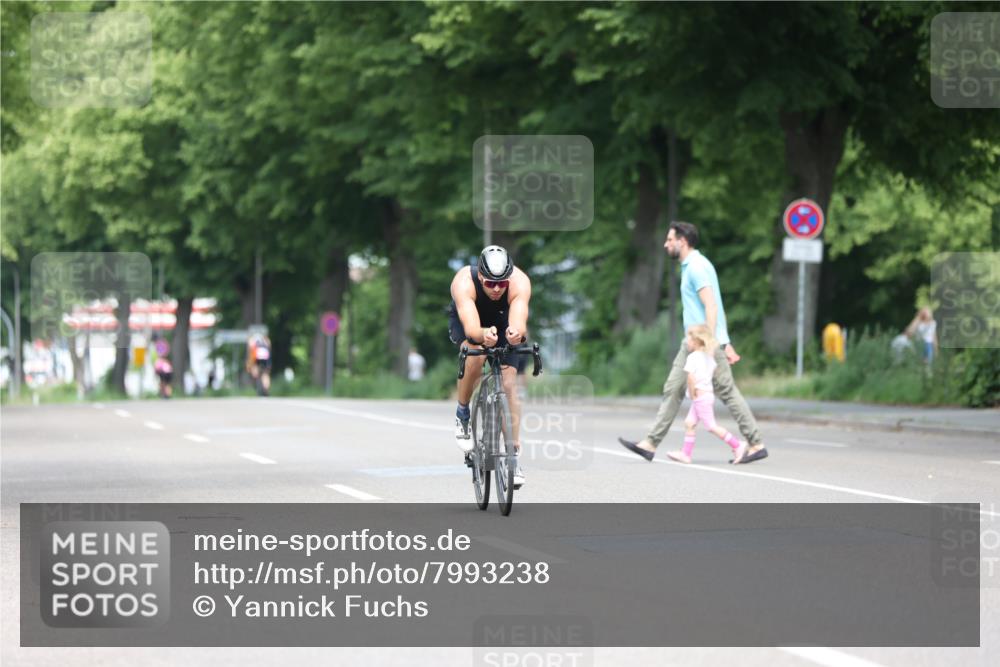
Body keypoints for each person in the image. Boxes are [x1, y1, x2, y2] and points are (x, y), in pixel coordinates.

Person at [618, 221, 768, 464]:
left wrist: (711, 343)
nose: (666, 244)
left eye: (670, 240)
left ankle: (756, 443)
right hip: (693, 342)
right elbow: (713, 304)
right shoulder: (691, 266)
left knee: (726, 391)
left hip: (703, 343)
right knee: (674, 388)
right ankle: (650, 443)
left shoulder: (697, 267)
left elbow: (711, 305)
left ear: (682, 241)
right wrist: (725, 341)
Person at [449, 245, 531, 487]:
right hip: (471, 321)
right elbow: (472, 329)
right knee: (475, 357)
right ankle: (463, 413)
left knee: (509, 385)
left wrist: (515, 335)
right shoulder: (464, 281)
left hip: (503, 321)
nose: (496, 289)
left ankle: (513, 457)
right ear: (481, 276)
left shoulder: (520, 282)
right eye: (490, 283)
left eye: (502, 283)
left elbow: (519, 322)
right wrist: (483, 335)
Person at [664, 325, 749, 465]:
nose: (687, 341)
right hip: (707, 395)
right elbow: (712, 372)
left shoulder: (692, 357)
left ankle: (738, 445)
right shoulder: (709, 358)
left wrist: (692, 393)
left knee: (711, 426)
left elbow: (691, 378)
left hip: (700, 397)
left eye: (689, 339)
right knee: (690, 423)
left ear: (696, 341)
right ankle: (685, 454)